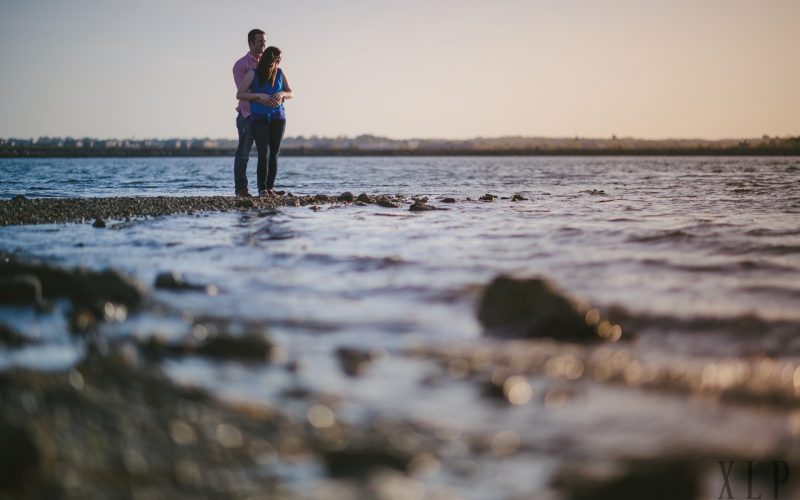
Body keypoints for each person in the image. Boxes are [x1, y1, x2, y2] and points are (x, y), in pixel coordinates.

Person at [236, 46, 293, 197]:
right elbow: (239, 94)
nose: (279, 62)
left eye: (280, 60)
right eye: (277, 59)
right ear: (271, 58)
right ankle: (262, 190)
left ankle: (270, 188)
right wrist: (259, 96)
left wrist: (282, 94)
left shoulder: (280, 73)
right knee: (264, 152)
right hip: (259, 118)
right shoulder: (252, 74)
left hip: (278, 117)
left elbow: (291, 92)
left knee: (274, 153)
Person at [232, 29, 267, 197]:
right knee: (243, 153)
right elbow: (242, 92)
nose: (264, 44)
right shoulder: (240, 65)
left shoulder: (268, 63)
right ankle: (241, 190)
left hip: (265, 116)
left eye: (264, 41)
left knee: (264, 153)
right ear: (251, 43)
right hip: (247, 115)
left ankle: (265, 189)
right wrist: (260, 97)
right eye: (260, 41)